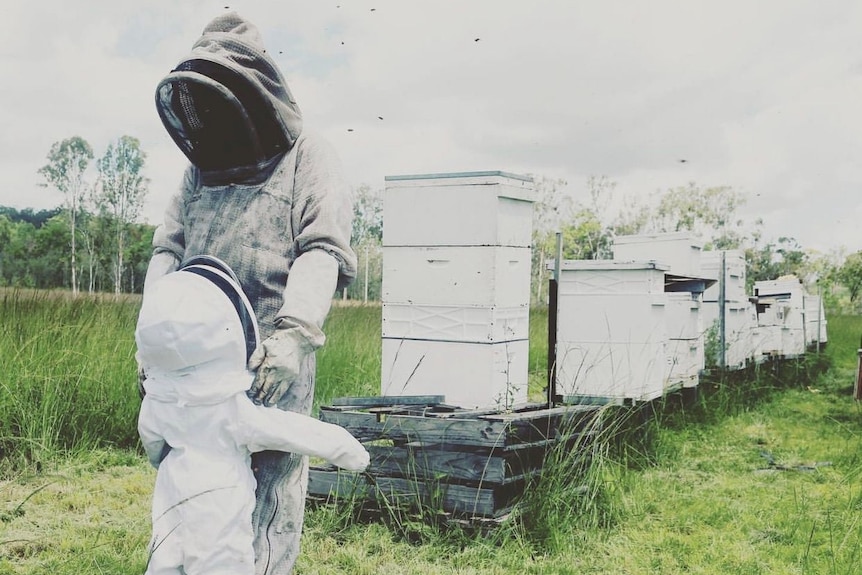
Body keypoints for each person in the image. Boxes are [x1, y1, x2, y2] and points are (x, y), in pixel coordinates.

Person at [146, 11, 357, 574]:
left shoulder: (310, 156)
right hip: (193, 357)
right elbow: (168, 248)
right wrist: (151, 343)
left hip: (272, 352)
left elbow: (324, 250)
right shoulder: (197, 171)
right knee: (193, 485)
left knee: (268, 492)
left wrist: (293, 335)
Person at [137, 259, 369, 575]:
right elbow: (289, 429)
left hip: (171, 493)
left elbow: (152, 444)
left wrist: (168, 461)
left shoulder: (158, 401)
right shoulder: (232, 410)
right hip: (221, 509)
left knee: (165, 561)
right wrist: (346, 450)